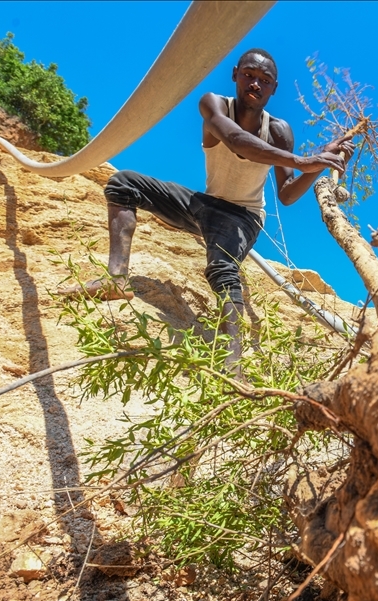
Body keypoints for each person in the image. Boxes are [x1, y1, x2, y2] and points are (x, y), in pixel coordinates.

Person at [61, 47, 351, 372]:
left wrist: (318, 165)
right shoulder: (213, 105)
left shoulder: (279, 132)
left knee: (222, 270)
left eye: (264, 80)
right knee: (123, 184)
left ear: (274, 88)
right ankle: (116, 278)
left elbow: (286, 194)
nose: (255, 84)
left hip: (244, 218)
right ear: (235, 75)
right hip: (205, 205)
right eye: (249, 75)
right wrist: (303, 160)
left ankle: (233, 358)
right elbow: (237, 140)